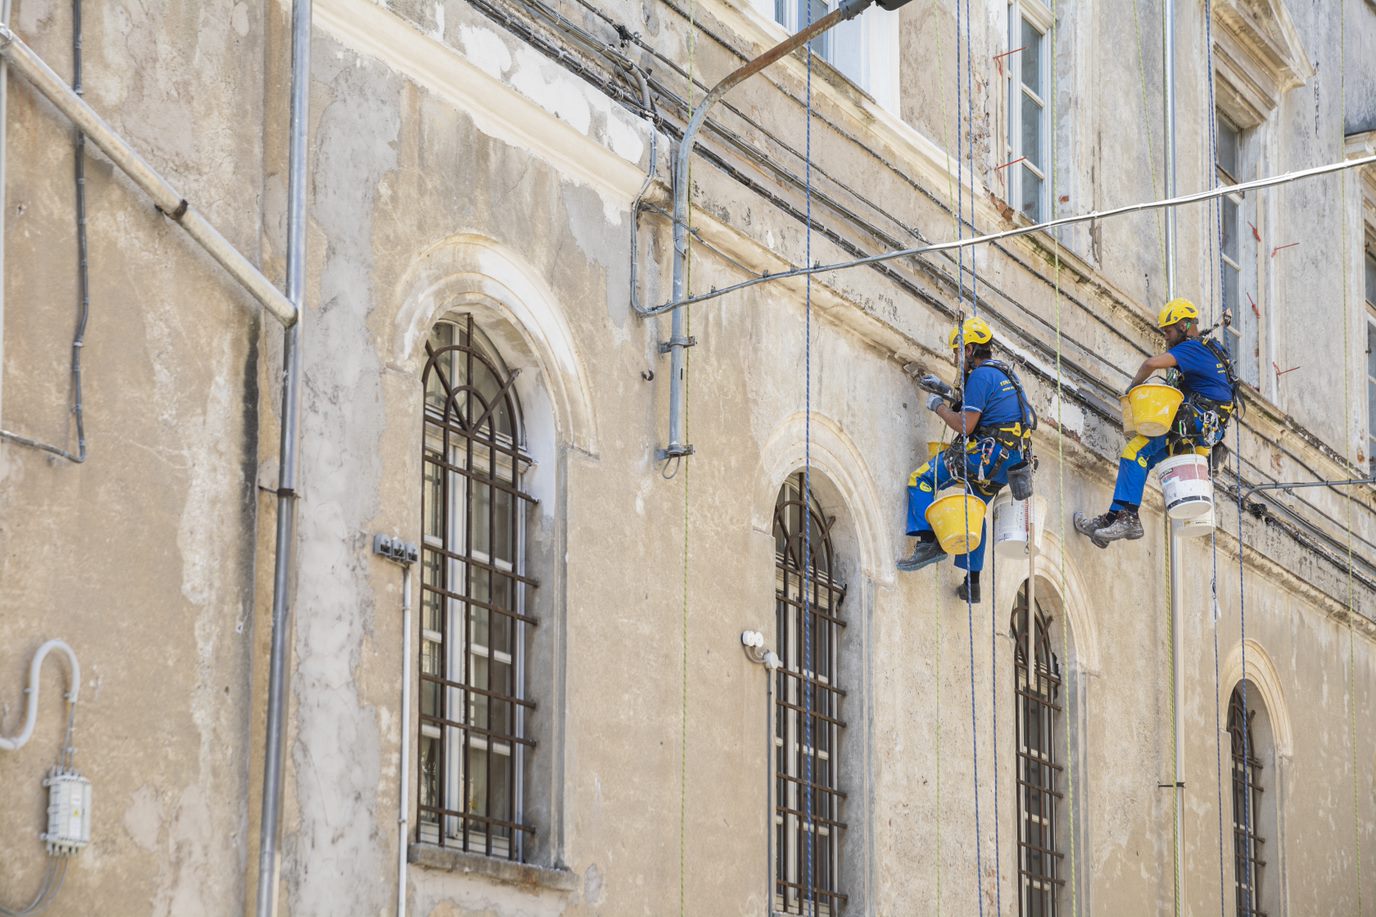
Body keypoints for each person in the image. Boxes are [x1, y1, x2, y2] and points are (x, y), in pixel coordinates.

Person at [1073, 297, 1238, 547]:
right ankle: (1113, 518)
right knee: (1145, 458)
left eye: (1169, 331)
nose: (1166, 338)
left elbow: (1151, 364)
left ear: (1183, 326)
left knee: (1135, 451)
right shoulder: (1211, 349)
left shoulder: (1191, 348)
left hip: (1191, 422)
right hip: (1204, 430)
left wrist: (1131, 391)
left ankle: (1128, 518)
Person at [897, 317, 1035, 603]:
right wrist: (946, 392)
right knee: (973, 506)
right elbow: (982, 405)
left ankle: (928, 542)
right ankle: (972, 582)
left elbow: (964, 425)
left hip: (986, 455)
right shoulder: (1005, 374)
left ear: (970, 349)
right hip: (1010, 463)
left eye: (959, 351)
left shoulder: (981, 375)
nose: (956, 357)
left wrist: (938, 407)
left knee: (921, 479)